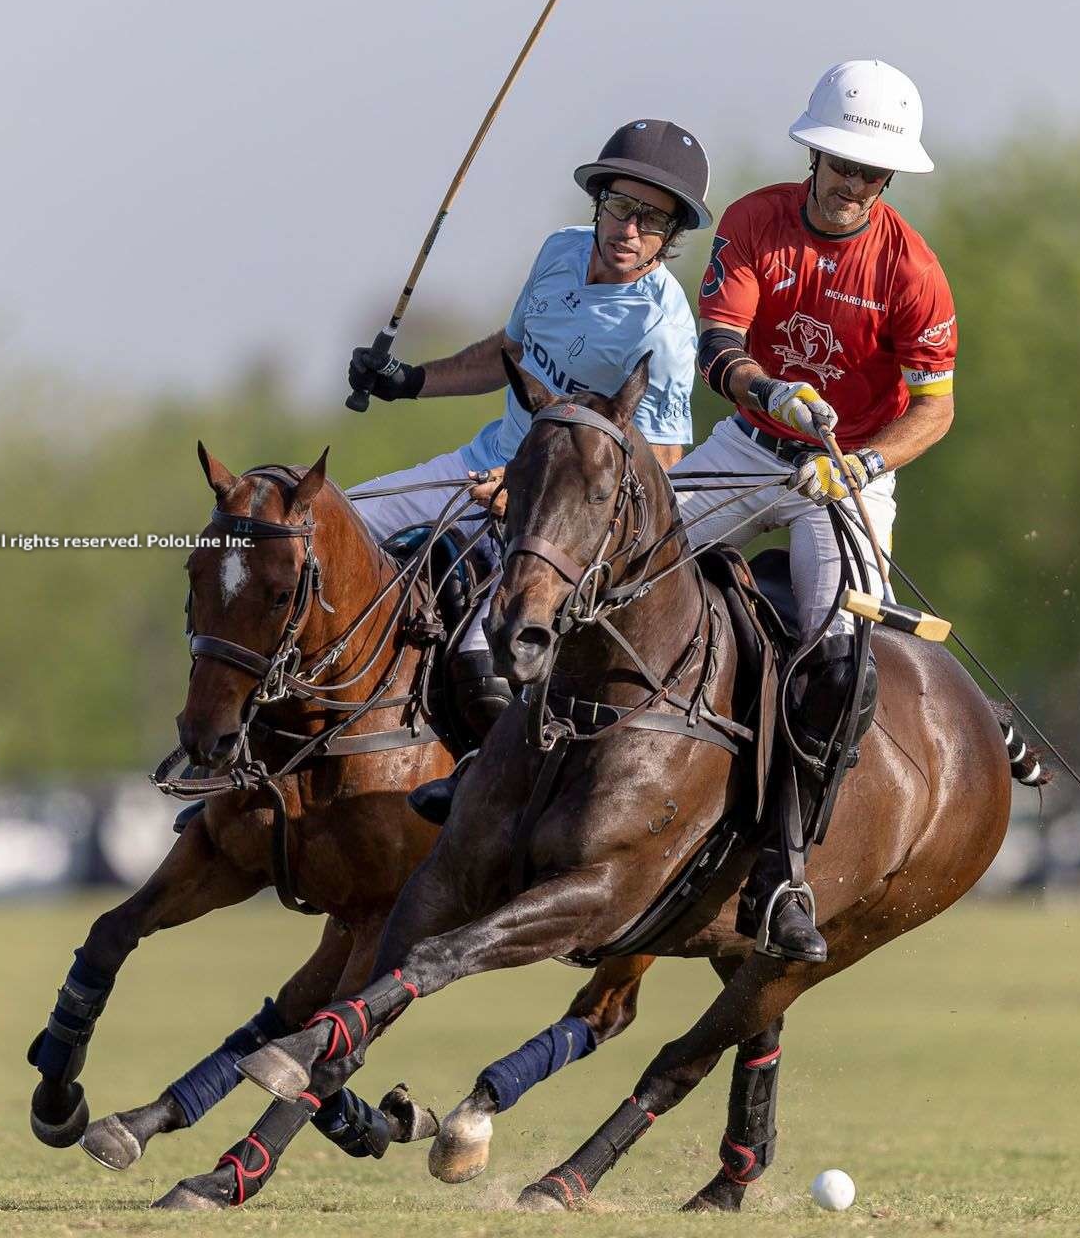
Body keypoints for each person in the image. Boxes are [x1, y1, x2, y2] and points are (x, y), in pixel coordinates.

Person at [346, 120, 712, 822]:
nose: (628, 229)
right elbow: (507, 355)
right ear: (596, 203)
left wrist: (525, 499)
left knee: (487, 645)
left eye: (651, 219)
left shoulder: (662, 331)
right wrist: (409, 380)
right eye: (618, 207)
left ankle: (487, 789)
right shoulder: (558, 253)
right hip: (481, 465)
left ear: (670, 236)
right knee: (332, 528)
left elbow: (657, 469)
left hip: (561, 521)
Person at [677, 59, 957, 962]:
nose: (854, 185)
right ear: (813, 154)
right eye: (841, 164)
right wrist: (774, 393)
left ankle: (787, 869)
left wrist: (863, 464)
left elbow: (936, 406)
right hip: (748, 447)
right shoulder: (757, 221)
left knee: (842, 668)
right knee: (598, 568)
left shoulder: (912, 269)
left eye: (873, 174)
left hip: (849, 476)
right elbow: (718, 342)